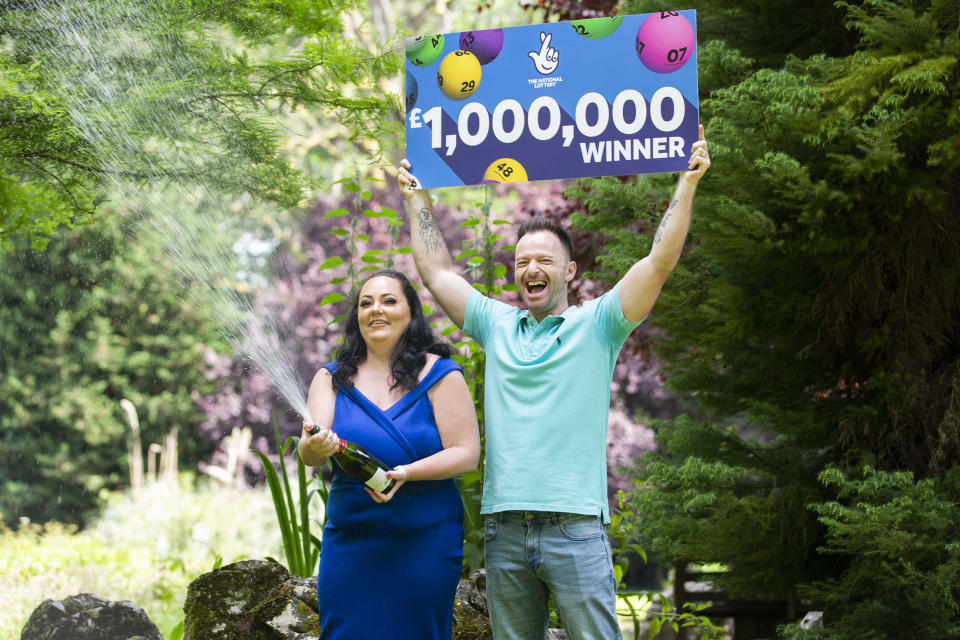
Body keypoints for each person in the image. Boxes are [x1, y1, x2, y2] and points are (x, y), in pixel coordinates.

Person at [396, 125, 711, 640]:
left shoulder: (599, 324)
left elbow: (657, 263)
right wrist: (418, 197)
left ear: (569, 272)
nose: (530, 269)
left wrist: (688, 182)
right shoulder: (496, 323)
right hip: (505, 528)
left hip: (577, 530)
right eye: (521, 262)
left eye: (544, 260)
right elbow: (436, 273)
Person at [298, 269, 480, 640]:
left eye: (388, 300)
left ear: (410, 312)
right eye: (366, 303)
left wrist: (407, 473)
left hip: (425, 543)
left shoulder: (441, 374)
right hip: (351, 544)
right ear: (357, 317)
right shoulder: (330, 379)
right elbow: (309, 451)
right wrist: (313, 446)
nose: (375, 309)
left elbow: (467, 453)